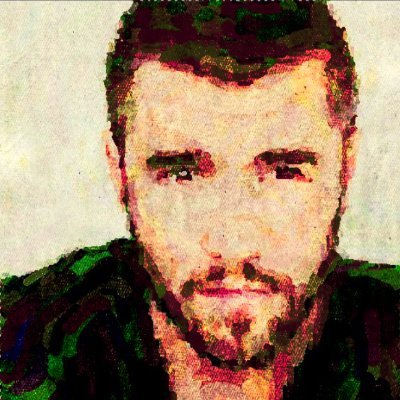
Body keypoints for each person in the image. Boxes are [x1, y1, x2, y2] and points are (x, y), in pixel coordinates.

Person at [1, 1, 399, 399]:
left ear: (346, 167)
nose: (234, 244)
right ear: (119, 171)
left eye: (284, 172)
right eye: (182, 174)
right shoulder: (16, 345)